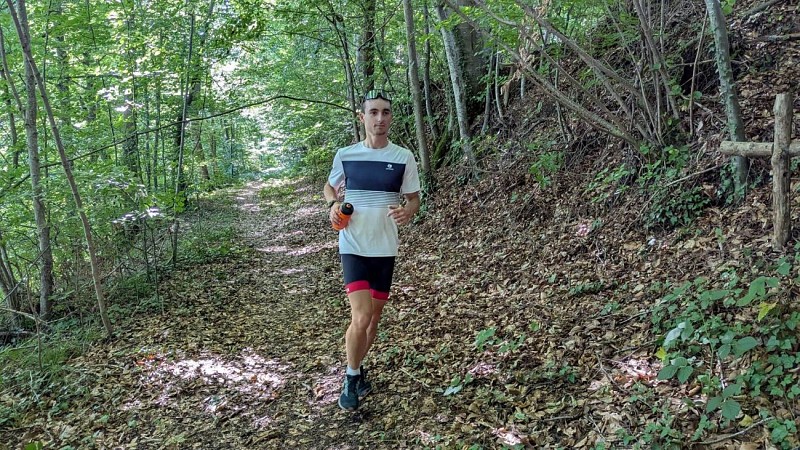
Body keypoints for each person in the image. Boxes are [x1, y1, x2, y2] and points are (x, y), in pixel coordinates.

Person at [323, 90, 421, 411]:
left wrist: (409, 211)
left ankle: (358, 369)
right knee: (361, 315)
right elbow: (329, 186)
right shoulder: (346, 155)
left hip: (385, 249)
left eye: (385, 113)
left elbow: (413, 199)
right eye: (373, 112)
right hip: (352, 246)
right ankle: (351, 377)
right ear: (362, 117)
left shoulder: (404, 157)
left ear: (391, 117)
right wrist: (334, 203)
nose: (380, 119)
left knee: (373, 320)